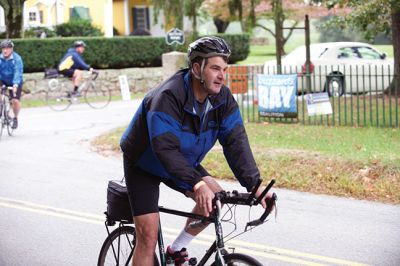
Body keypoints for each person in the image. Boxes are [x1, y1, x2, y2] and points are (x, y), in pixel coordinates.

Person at [120, 36, 274, 266]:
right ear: (196, 68)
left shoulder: (222, 99)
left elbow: (236, 142)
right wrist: (197, 184)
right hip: (145, 163)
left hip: (182, 160)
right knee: (148, 236)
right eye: (214, 68)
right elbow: (164, 148)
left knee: (214, 201)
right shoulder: (168, 96)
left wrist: (255, 186)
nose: (222, 75)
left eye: (224, 69)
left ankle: (176, 248)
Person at [0, 39, 24, 129]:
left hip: (15, 81)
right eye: (3, 48)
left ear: (12, 49)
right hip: (2, 80)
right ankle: (1, 111)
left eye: (8, 48)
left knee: (15, 101)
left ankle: (15, 118)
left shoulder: (17, 59)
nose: (5, 50)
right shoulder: (0, 58)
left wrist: (15, 84)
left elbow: (18, 72)